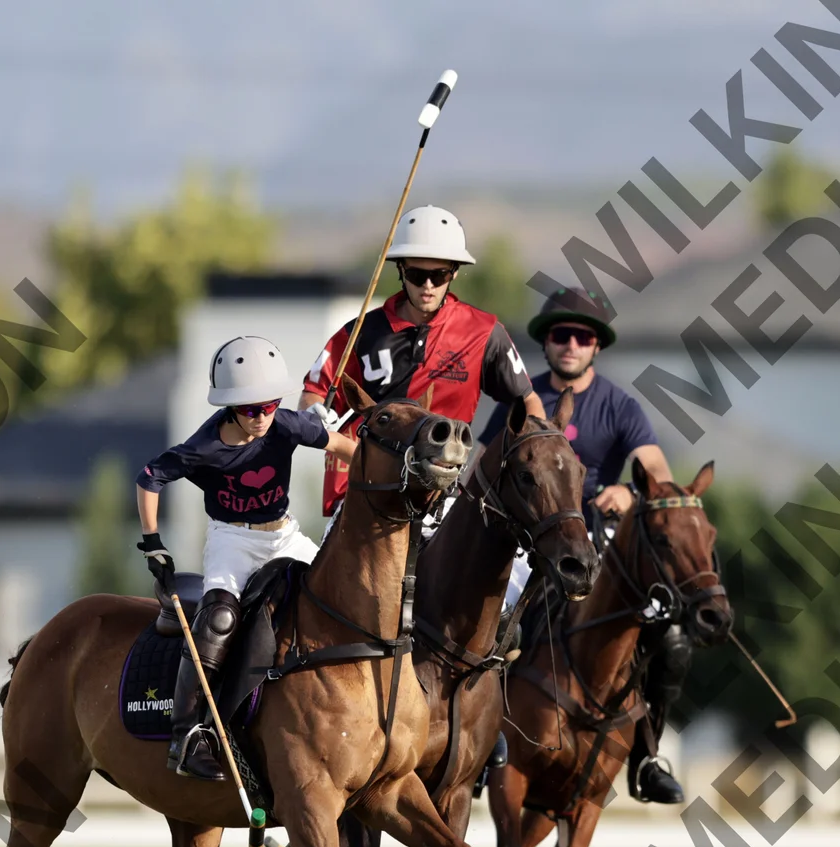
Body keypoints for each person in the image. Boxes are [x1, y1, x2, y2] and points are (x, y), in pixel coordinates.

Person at [485, 286, 687, 806]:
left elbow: (658, 473)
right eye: (561, 334)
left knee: (669, 636)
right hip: (531, 540)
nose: (571, 344)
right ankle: (483, 740)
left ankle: (646, 758)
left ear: (596, 345)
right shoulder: (521, 401)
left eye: (582, 336)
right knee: (491, 624)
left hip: (599, 540)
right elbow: (483, 466)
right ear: (547, 342)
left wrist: (631, 492)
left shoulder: (620, 406)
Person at [136, 336, 356, 780]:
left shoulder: (286, 425)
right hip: (232, 540)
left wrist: (394, 466)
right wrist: (152, 541)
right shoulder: (205, 446)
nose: (262, 417)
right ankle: (188, 735)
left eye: (270, 405)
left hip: (285, 535)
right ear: (231, 407)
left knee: (347, 593)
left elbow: (344, 448)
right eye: (252, 409)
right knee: (218, 619)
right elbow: (149, 478)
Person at [299, 205, 542, 511]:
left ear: (454, 271)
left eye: (439, 275)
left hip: (444, 494)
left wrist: (528, 455)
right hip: (370, 491)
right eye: (417, 275)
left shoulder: (485, 331)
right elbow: (313, 393)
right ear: (401, 270)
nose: (428, 285)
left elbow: (528, 401)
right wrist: (313, 414)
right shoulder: (359, 332)